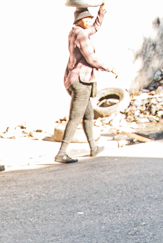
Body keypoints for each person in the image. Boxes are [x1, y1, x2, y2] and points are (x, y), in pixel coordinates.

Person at [56, 5, 118, 164]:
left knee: (88, 115)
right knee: (75, 117)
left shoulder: (75, 32)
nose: (89, 20)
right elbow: (92, 59)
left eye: (89, 18)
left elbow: (94, 28)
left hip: (75, 79)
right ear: (78, 20)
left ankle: (93, 147)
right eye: (86, 18)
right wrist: (110, 68)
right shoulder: (81, 34)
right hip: (81, 81)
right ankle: (62, 152)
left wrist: (101, 12)